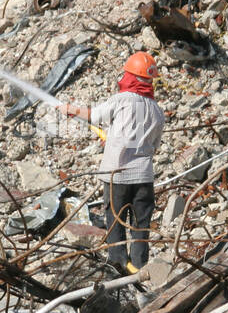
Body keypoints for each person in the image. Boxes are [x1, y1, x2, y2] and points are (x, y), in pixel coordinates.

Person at [61, 52, 165, 272]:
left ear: (130, 76)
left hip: (116, 176)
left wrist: (70, 109)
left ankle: (118, 268)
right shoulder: (157, 111)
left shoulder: (122, 100)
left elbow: (94, 116)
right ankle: (139, 270)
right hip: (144, 178)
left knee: (116, 222)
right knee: (140, 226)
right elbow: (154, 146)